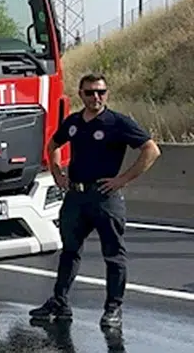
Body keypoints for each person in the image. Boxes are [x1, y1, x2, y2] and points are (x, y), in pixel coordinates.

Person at [30, 73, 162, 328]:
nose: (96, 97)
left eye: (100, 92)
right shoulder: (74, 122)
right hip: (76, 196)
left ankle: (113, 307)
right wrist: (57, 172)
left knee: (113, 254)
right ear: (81, 94)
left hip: (105, 197)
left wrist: (122, 179)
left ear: (107, 93)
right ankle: (60, 301)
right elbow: (53, 144)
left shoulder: (117, 122)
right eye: (89, 92)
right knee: (69, 251)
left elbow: (151, 149)